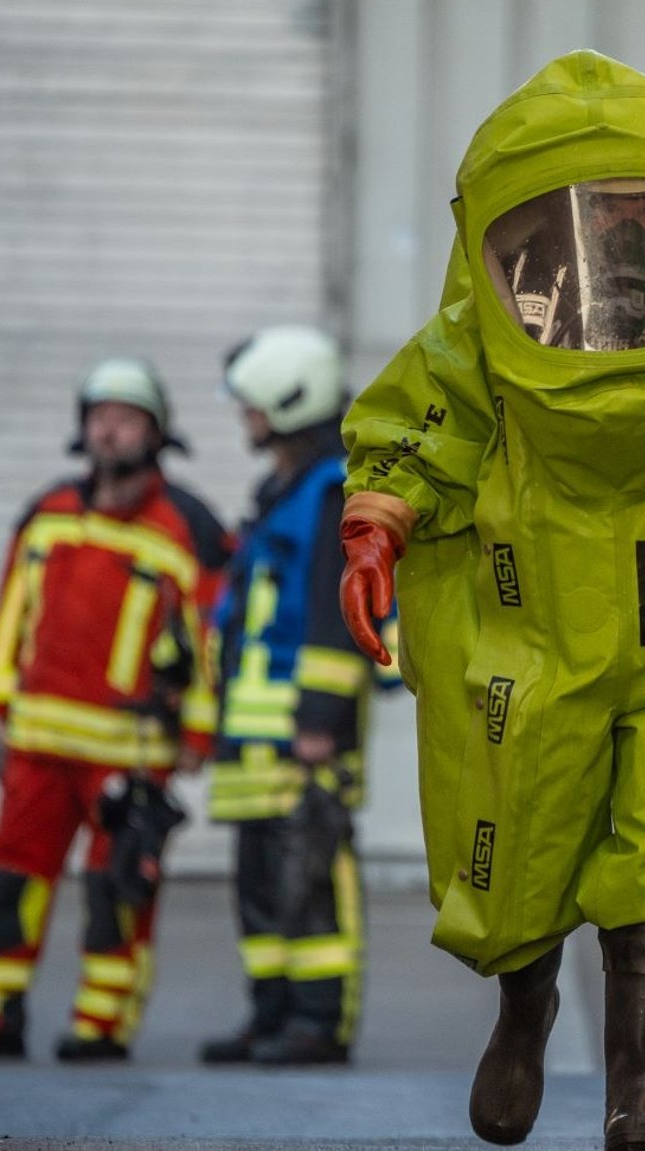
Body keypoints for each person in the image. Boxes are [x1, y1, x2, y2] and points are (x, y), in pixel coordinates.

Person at [337, 52, 645, 1149]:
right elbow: (414, 429)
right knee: (521, 841)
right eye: (597, 209)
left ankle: (639, 1084)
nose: (623, 233)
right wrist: (377, 519)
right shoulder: (480, 348)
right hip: (531, 635)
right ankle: (523, 1005)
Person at [0, 357, 232, 1063]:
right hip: (35, 743)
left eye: (126, 418)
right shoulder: (47, 514)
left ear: (157, 432)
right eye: (98, 416)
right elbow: (9, 617)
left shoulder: (189, 526)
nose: (109, 429)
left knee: (116, 889)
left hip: (129, 751)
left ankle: (101, 1025)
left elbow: (212, 639)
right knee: (9, 878)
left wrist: (198, 728)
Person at [200, 324, 387, 1066]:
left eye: (251, 404)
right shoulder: (281, 490)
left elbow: (331, 608)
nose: (244, 416)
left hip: (303, 733)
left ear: (287, 399)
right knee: (261, 879)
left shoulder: (328, 489)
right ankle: (270, 1012)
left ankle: (318, 1020)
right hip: (255, 737)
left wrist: (319, 716)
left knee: (313, 875)